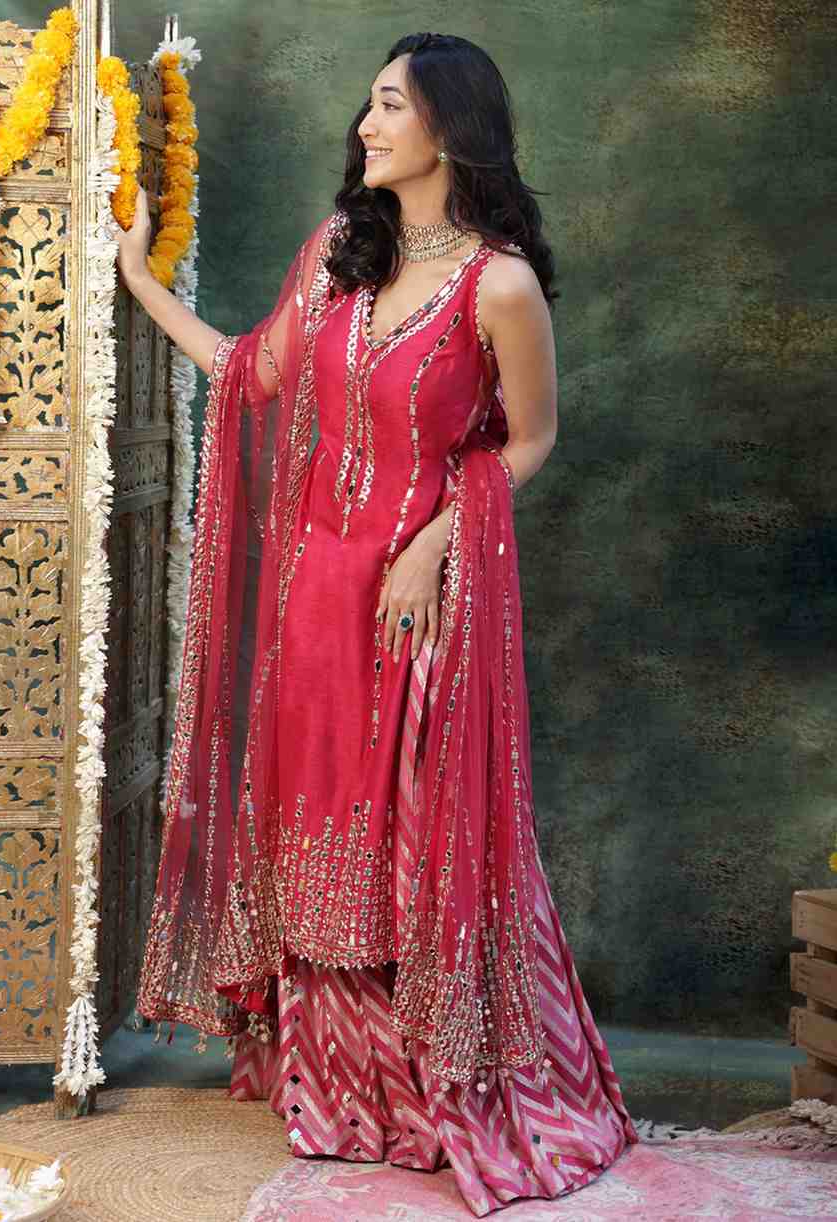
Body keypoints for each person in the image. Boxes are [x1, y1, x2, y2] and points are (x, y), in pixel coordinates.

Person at [121, 31, 638, 1217]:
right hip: (312, 599)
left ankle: (431, 1086)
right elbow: (248, 375)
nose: (365, 124)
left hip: (418, 610)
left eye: (390, 104)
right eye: (368, 103)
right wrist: (141, 280)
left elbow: (530, 439)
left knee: (410, 837)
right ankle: (336, 1087)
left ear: (449, 128)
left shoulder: (498, 284)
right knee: (314, 836)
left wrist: (436, 539)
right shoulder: (334, 257)